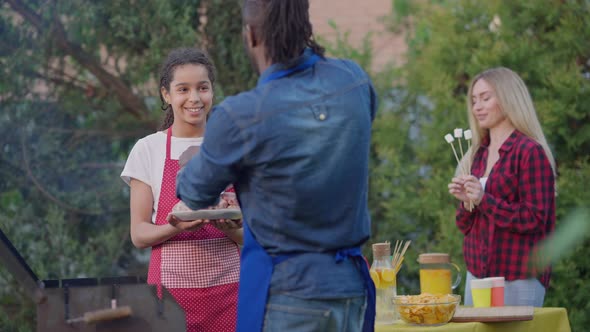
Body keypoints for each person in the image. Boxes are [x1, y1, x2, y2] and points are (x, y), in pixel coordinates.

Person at [172, 0, 378, 330]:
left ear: (251, 35)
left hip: (288, 293)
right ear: (305, 24)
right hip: (351, 287)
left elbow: (194, 194)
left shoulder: (241, 115)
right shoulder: (353, 80)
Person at [121, 48, 242, 331]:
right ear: (166, 94)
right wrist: (177, 225)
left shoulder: (233, 148)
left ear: (212, 90)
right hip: (169, 300)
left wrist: (230, 227)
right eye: (183, 89)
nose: (194, 98)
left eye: (202, 87)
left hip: (233, 293)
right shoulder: (147, 150)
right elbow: (139, 234)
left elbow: (255, 239)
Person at [448, 67, 556, 307]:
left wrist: (484, 199)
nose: (477, 107)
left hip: (519, 278)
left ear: (509, 99)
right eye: (474, 100)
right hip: (477, 275)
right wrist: (467, 202)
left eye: (486, 98)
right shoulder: (476, 155)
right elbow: (464, 226)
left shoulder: (529, 152)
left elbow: (535, 219)